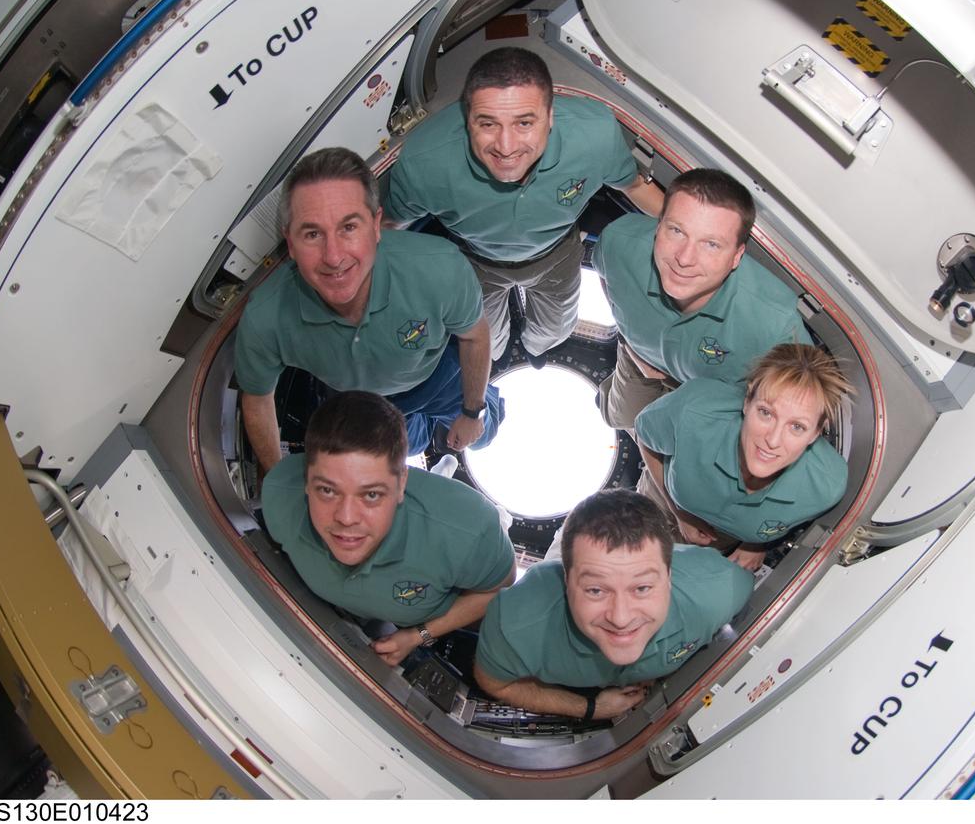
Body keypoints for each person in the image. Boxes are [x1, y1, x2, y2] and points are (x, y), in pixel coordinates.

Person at [384, 46, 665, 362]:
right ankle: (500, 354)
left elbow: (635, 185)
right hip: (476, 263)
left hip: (557, 254)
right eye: (487, 124)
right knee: (486, 340)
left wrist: (693, 233)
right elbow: (390, 227)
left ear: (551, 116)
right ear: (467, 119)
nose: (506, 147)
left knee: (555, 328)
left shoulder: (593, 136)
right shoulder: (425, 162)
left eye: (524, 123)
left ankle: (537, 349)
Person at [235, 147, 502, 473]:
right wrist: (277, 478)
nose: (334, 257)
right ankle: (428, 436)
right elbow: (257, 397)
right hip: (365, 399)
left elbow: (475, 336)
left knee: (484, 433)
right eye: (312, 234)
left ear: (376, 226)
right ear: (290, 243)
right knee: (403, 446)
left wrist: (473, 412)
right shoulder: (266, 319)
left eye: (349, 227)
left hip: (436, 377)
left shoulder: (439, 269)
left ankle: (461, 418)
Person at [261, 391, 515, 666]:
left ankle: (460, 482)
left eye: (371, 494)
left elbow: (496, 588)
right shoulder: (280, 496)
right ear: (307, 481)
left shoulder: (471, 533)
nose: (346, 518)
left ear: (401, 482)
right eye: (327, 490)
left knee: (500, 520)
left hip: (443, 516)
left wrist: (419, 635)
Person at [474, 489, 753, 719]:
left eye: (642, 588)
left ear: (669, 578)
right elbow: (494, 682)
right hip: (551, 578)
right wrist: (590, 708)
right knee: (563, 548)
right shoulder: (514, 626)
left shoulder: (720, 589)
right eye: (596, 590)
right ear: (567, 583)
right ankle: (563, 534)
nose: (620, 618)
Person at [592, 168, 813, 430]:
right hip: (638, 358)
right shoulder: (619, 242)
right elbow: (606, 274)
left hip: (710, 399)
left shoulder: (776, 326)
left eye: (711, 244)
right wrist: (630, 344)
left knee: (666, 445)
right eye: (677, 231)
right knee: (619, 418)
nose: (685, 258)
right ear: (658, 226)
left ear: (737, 256)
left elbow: (804, 404)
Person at [635, 343, 853, 572]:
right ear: (747, 401)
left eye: (797, 426)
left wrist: (756, 543)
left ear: (816, 433)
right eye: (766, 413)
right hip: (660, 500)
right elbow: (645, 438)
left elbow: (782, 523)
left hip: (719, 541)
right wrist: (679, 513)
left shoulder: (825, 488)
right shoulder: (693, 411)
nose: (773, 440)